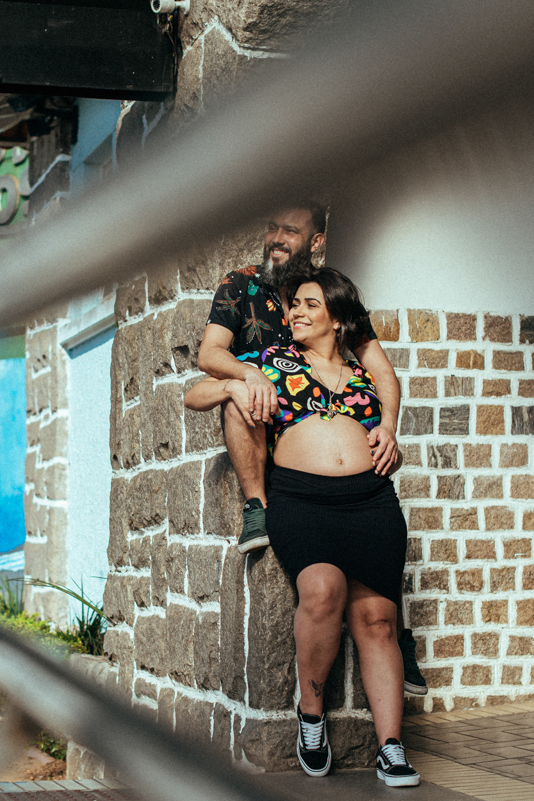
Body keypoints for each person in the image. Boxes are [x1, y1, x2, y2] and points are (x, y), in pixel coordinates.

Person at [184, 268, 419, 787]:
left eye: (310, 304)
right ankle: (310, 719)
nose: (296, 312)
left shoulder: (363, 374)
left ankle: (391, 747)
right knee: (321, 590)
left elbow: (387, 401)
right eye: (294, 305)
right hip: (302, 500)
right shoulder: (272, 362)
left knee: (379, 618)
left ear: (337, 319)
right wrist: (237, 386)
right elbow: (194, 395)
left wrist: (389, 433)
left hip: (372, 501)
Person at [193, 202, 427, 697]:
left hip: (338, 444)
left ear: (316, 241)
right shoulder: (241, 285)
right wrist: (246, 376)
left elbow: (380, 371)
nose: (277, 237)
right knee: (237, 396)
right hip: (272, 423)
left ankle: (395, 637)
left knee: (377, 521)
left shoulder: (331, 295)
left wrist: (388, 427)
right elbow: (210, 357)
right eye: (271, 226)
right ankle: (257, 506)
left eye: (290, 230)